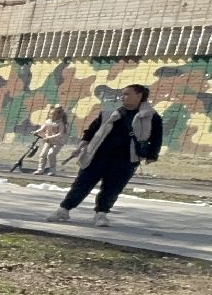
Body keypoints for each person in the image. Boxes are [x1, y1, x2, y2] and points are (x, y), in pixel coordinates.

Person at [47, 85, 163, 227]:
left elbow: (157, 137)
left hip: (126, 159)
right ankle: (64, 210)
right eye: (123, 94)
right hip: (98, 155)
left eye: (127, 94)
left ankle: (101, 214)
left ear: (139, 96)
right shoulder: (110, 113)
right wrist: (81, 146)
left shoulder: (151, 117)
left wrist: (152, 155)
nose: (123, 97)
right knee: (82, 184)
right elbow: (92, 130)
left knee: (113, 188)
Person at [32, 105, 70, 175]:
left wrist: (49, 137)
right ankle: (40, 169)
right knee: (43, 154)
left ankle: (52, 170)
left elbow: (60, 134)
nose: (51, 115)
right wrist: (36, 132)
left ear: (59, 115)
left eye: (54, 114)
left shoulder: (61, 123)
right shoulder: (48, 121)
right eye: (50, 114)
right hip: (48, 141)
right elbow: (42, 129)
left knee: (51, 154)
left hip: (57, 142)